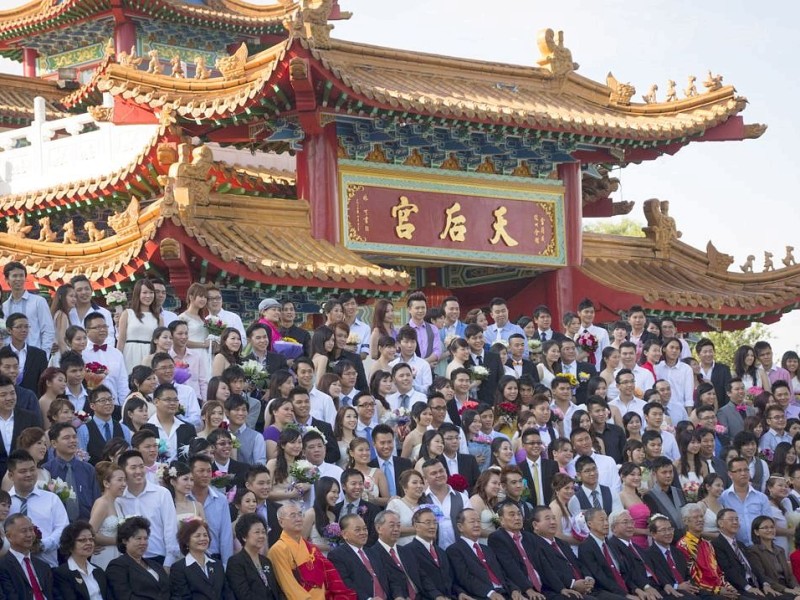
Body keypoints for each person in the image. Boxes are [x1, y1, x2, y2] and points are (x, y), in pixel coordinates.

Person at [271, 502, 355, 599]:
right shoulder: (278, 549)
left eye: (300, 514)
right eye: (293, 516)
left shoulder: (311, 547)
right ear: (281, 522)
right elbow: (289, 586)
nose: (298, 519)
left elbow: (328, 576)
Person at [116, 450, 180, 566]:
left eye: (141, 466)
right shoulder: (119, 499)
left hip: (159, 558)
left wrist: (168, 563)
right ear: (123, 471)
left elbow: (171, 529)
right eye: (133, 468)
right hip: (129, 561)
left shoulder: (162, 494)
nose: (139, 471)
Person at [7, 448, 68, 567]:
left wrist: (41, 545)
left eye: (32, 469)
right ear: (10, 475)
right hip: (12, 568)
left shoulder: (52, 499)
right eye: (23, 471)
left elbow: (63, 529)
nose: (29, 474)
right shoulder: (4, 502)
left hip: (47, 565)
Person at [44, 421, 100, 520]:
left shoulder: (88, 469)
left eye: (74, 437)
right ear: (54, 443)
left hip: (86, 526)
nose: (72, 441)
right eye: (66, 438)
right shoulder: (46, 470)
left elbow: (96, 501)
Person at [329, 513, 392, 600]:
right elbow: (345, 583)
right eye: (357, 530)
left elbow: (390, 576)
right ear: (344, 534)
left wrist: (398, 595)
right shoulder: (337, 555)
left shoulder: (373, 552)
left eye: (365, 529)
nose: (363, 533)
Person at [106, 515, 170, 600]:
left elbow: (168, 591)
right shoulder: (117, 566)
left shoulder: (156, 565)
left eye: (146, 538)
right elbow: (124, 596)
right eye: (138, 538)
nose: (143, 542)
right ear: (125, 540)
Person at [169, 518, 233, 600]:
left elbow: (227, 594)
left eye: (205, 535)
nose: (203, 538)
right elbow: (181, 597)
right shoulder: (179, 568)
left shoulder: (217, 564)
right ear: (186, 541)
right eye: (197, 535)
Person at [711, 508, 767, 598]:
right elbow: (728, 570)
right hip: (740, 588)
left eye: (736, 519)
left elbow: (753, 566)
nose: (735, 522)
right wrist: (747, 587)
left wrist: (765, 584)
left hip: (756, 584)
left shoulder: (740, 544)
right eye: (731, 519)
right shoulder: (717, 545)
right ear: (720, 523)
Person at [644, 514, 702, 600]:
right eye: (663, 530)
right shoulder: (648, 555)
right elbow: (655, 581)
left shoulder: (677, 551)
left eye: (670, 529)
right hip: (669, 593)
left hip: (688, 591)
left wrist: (690, 587)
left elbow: (687, 574)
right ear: (653, 534)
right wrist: (677, 586)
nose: (668, 533)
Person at [2, 262, 55, 353]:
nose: (18, 279)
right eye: (14, 276)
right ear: (7, 279)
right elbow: (5, 334)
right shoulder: (4, 307)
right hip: (11, 357)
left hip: (34, 354)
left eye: (21, 276)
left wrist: (44, 355)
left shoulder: (38, 301)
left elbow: (48, 330)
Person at [719, 455, 772, 546]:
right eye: (739, 471)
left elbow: (769, 523)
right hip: (735, 547)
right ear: (730, 474)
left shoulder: (761, 497)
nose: (743, 473)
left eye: (746, 470)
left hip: (759, 547)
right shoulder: (723, 497)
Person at [0, 514, 53, 600]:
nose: (29, 535)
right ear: (9, 536)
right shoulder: (3, 566)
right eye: (24, 531)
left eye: (31, 530)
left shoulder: (43, 566)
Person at [52, 520, 109, 600]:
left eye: (91, 539)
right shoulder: (62, 574)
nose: (89, 543)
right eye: (82, 540)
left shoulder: (98, 571)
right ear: (70, 544)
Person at [79, 385, 133, 464]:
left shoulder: (123, 428)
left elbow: (128, 456)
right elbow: (81, 458)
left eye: (110, 399)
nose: (108, 403)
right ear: (92, 406)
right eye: (103, 400)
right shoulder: (84, 430)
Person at [141, 383, 196, 462]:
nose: (173, 403)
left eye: (175, 400)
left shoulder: (188, 428)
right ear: (156, 402)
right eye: (168, 400)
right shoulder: (146, 428)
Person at [117, 279, 162, 373]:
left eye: (151, 292)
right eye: (144, 292)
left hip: (150, 354)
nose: (148, 296)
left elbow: (160, 342)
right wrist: (117, 360)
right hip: (130, 353)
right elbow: (121, 340)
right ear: (138, 294)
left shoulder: (158, 318)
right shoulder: (127, 314)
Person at [748, 515, 800, 596]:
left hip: (787, 586)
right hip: (772, 590)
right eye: (765, 528)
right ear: (756, 532)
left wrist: (796, 587)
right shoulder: (753, 551)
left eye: (772, 527)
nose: (770, 530)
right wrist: (787, 590)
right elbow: (762, 576)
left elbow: (789, 576)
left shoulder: (780, 550)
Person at [89, 461, 126, 569]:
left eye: (124, 480)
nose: (124, 484)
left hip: (117, 553)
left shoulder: (117, 503)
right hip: (104, 554)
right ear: (106, 483)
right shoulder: (102, 503)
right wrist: (119, 541)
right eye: (119, 480)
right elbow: (91, 533)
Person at [643, 456, 687, 539]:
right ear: (654, 474)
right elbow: (656, 524)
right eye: (664, 472)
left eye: (671, 472)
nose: (668, 475)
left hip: (686, 540)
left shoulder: (679, 492)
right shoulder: (649, 496)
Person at [6, 312, 49, 397]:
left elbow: (43, 382)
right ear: (9, 330)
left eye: (26, 326)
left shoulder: (39, 355)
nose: (24, 330)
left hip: (32, 401)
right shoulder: (2, 353)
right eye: (19, 327)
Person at [303, 476, 340, 555]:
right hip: (316, 558)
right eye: (333, 492)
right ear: (323, 492)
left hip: (332, 558)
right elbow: (302, 543)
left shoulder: (332, 515)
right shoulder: (311, 514)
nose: (336, 496)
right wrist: (327, 547)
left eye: (338, 492)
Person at [696, 473, 724, 539]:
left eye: (722, 486)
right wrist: (717, 535)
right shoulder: (701, 505)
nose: (721, 488)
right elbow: (695, 529)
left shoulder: (721, 505)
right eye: (718, 485)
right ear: (708, 487)